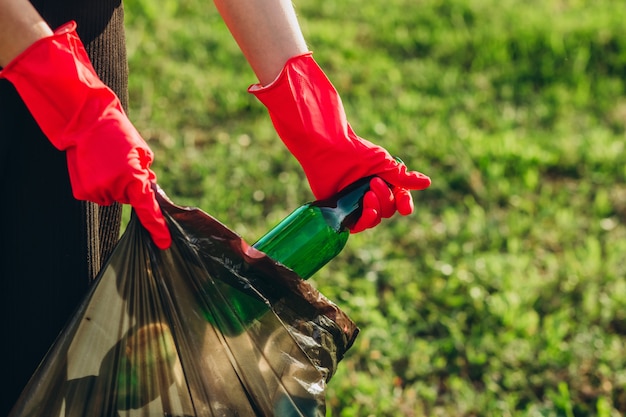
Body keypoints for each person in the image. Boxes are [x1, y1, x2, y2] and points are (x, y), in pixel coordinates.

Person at [0, 0, 431, 413]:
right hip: (25, 62)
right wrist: (70, 100)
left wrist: (311, 112)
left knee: (57, 341)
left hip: (84, 49)